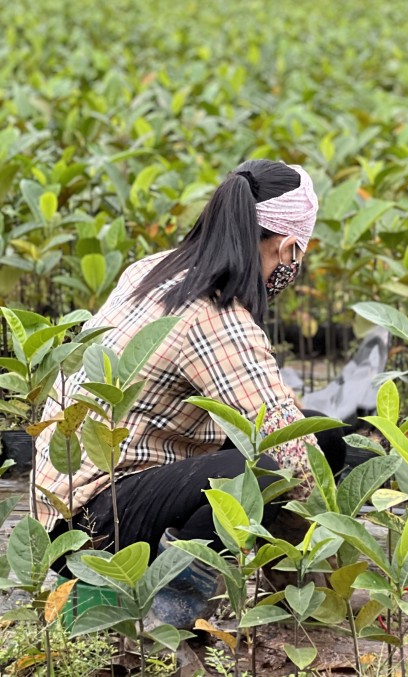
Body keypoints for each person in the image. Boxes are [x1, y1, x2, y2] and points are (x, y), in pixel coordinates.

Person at [33, 159, 347, 628]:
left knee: (323, 436)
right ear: (286, 247)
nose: (295, 265)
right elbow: (293, 456)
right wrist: (331, 556)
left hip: (60, 507)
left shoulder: (155, 268)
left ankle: (298, 597)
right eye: (298, 253)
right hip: (96, 522)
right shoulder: (217, 317)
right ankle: (161, 612)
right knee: (273, 467)